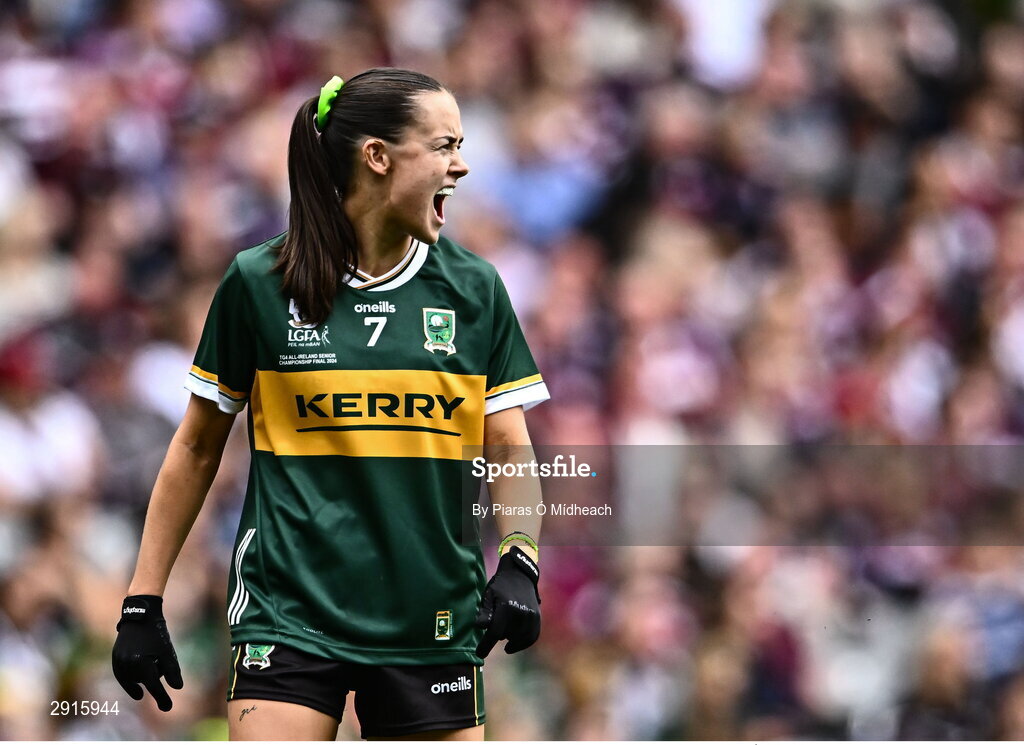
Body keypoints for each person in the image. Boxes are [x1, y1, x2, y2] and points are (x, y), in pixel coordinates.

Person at [111, 68, 548, 741]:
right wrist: (142, 599)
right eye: (443, 146)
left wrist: (519, 559)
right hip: (288, 611)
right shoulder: (258, 284)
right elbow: (197, 445)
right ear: (378, 157)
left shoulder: (474, 290)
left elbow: (510, 446)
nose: (461, 165)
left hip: (430, 616)